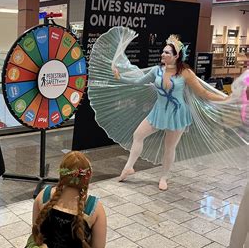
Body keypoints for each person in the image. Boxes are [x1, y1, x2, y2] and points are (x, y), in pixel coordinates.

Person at [88, 27, 248, 191]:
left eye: (167, 53)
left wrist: (226, 98)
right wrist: (120, 77)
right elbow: (138, 82)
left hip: (177, 114)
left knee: (169, 147)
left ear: (177, 56)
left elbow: (203, 92)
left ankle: (164, 177)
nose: (163, 55)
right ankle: (129, 167)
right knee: (138, 135)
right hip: (158, 112)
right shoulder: (156, 70)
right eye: (163, 52)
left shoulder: (185, 73)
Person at [8, 151, 106, 248]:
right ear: (87, 176)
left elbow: (36, 230)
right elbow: (98, 247)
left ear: (61, 174)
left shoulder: (45, 195)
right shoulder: (95, 207)